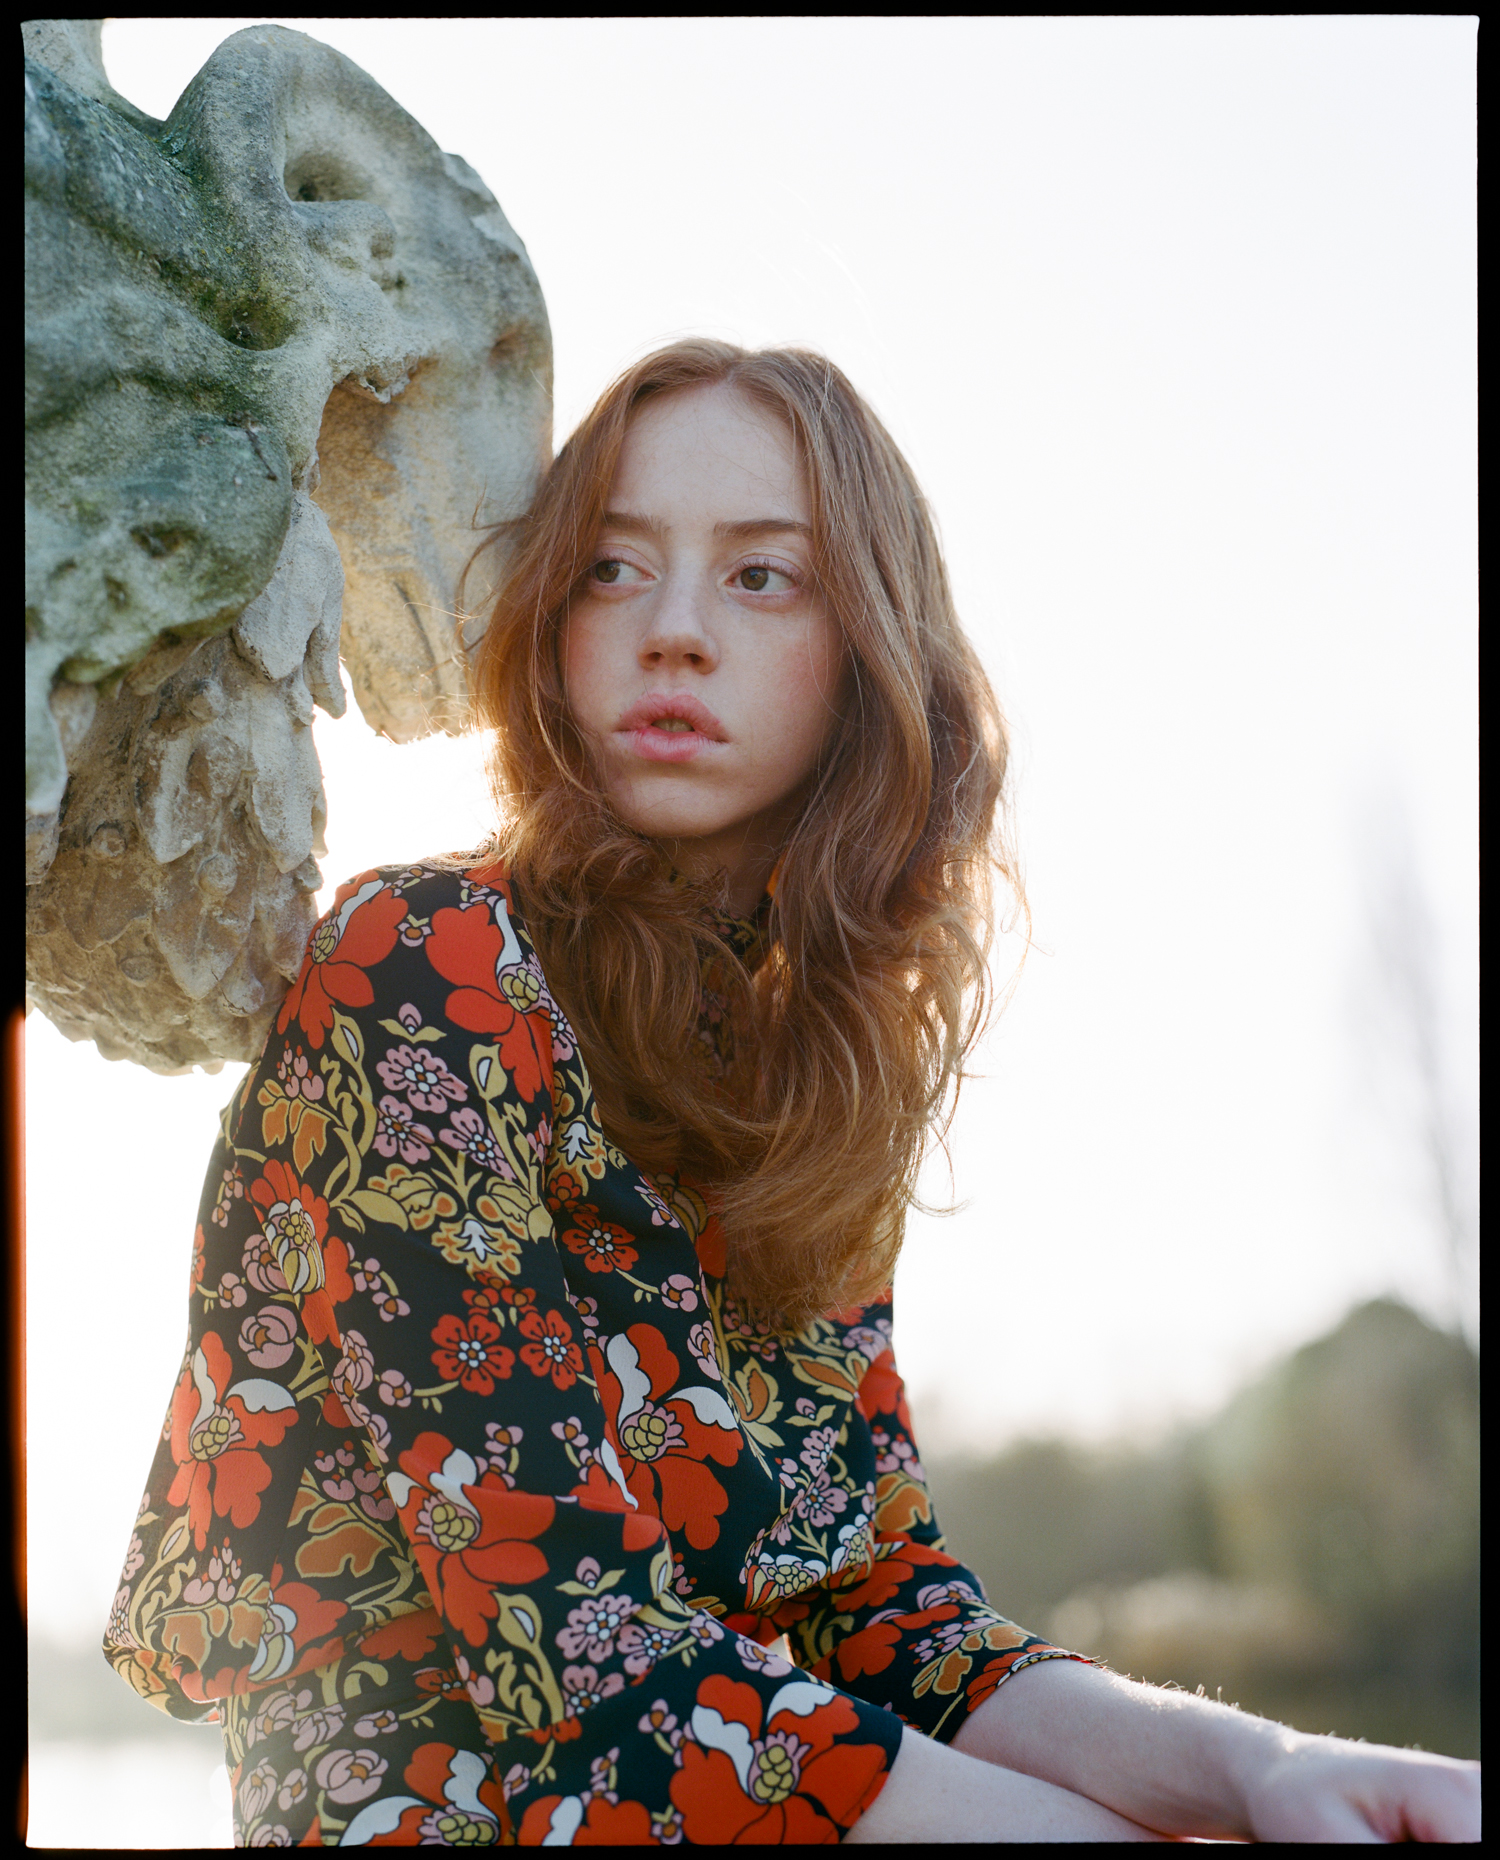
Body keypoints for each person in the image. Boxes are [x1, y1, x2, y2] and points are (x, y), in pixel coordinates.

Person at [105, 340, 1480, 1844]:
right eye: (613, 568)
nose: (673, 633)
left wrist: (1265, 1772)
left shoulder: (802, 1061)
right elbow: (596, 1684)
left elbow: (884, 1609)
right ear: (551, 620)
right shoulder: (425, 964)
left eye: (762, 576)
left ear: (866, 650)